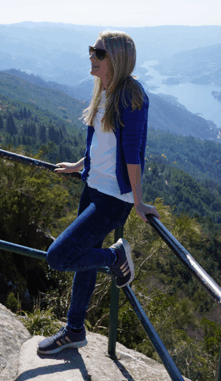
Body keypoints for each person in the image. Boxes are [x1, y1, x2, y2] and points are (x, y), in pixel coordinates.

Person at [37, 30, 160, 355]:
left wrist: (137, 201)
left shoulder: (131, 96)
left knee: (59, 256)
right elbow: (101, 145)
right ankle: (75, 330)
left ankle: (115, 257)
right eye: (92, 49)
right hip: (91, 187)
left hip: (112, 199)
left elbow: (132, 152)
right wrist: (79, 166)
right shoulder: (102, 90)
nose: (92, 55)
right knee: (81, 261)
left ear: (115, 60)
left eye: (99, 52)